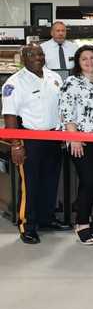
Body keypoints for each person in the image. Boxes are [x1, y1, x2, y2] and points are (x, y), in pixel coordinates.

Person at [2, 44, 67, 244]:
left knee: (50, 181)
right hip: (30, 139)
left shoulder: (54, 77)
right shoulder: (14, 83)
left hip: (54, 137)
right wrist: (16, 145)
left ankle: (46, 219)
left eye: (40, 53)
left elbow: (61, 107)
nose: (37, 57)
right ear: (23, 58)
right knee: (30, 185)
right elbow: (10, 115)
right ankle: (27, 225)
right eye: (32, 54)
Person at [59, 45, 93, 245]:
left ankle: (87, 218)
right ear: (78, 63)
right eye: (84, 59)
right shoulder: (72, 82)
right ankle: (81, 224)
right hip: (81, 138)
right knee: (88, 180)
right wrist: (73, 137)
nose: (89, 62)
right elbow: (66, 110)